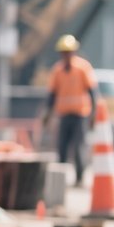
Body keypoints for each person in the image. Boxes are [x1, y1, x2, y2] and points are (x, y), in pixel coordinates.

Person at [42, 34, 97, 187]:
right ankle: (60, 181)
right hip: (64, 115)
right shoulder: (57, 70)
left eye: (69, 52)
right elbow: (52, 94)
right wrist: (47, 113)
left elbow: (92, 92)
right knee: (62, 147)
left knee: (79, 147)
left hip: (80, 115)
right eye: (63, 52)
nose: (66, 55)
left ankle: (79, 178)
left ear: (74, 52)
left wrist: (93, 113)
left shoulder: (82, 68)